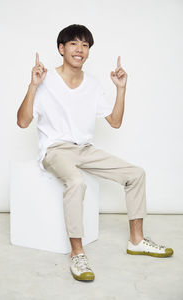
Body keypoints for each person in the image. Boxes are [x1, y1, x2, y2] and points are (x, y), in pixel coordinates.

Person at [17, 24, 174, 282]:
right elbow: (22, 122)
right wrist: (33, 85)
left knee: (135, 174)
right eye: (74, 44)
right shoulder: (46, 81)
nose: (80, 49)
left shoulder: (92, 84)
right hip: (55, 150)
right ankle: (77, 254)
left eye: (85, 45)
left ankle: (136, 240)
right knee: (77, 182)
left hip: (84, 150)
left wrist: (121, 89)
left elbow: (115, 121)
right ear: (61, 48)